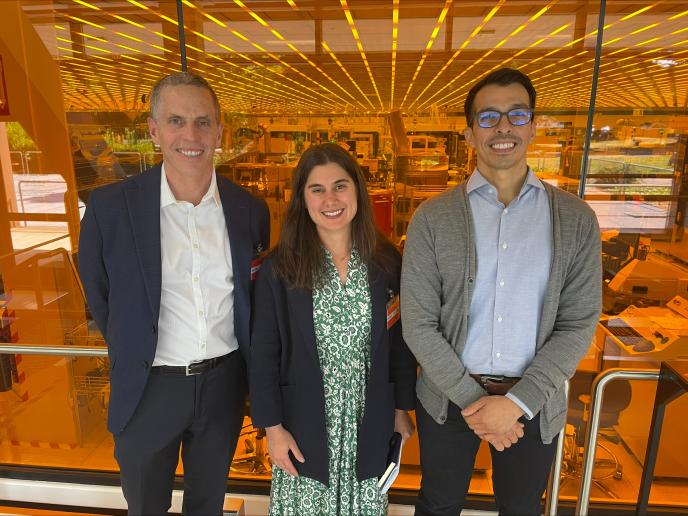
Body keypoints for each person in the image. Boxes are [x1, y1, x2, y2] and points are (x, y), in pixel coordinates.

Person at [400, 68, 602, 515]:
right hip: (450, 401)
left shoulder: (576, 220)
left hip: (535, 399)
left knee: (522, 508)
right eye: (488, 117)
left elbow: (577, 323)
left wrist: (516, 403)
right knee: (437, 505)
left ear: (533, 126)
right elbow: (418, 323)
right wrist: (478, 404)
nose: (503, 127)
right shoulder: (432, 219)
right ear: (470, 133)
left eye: (516, 114)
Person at [79, 72, 270, 515]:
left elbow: (250, 301)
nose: (191, 135)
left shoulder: (249, 211)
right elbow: (100, 295)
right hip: (148, 389)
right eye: (177, 121)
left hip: (223, 388)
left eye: (204, 122)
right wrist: (136, 352)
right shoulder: (110, 209)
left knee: (207, 506)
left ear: (220, 131)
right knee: (145, 507)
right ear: (153, 130)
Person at [249, 143, 416, 515]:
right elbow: (263, 354)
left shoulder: (386, 263)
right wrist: (272, 430)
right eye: (317, 189)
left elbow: (399, 344)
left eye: (340, 186)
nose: (331, 199)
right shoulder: (281, 268)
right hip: (302, 421)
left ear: (357, 190)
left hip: (368, 416)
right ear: (302, 199)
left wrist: (402, 407)